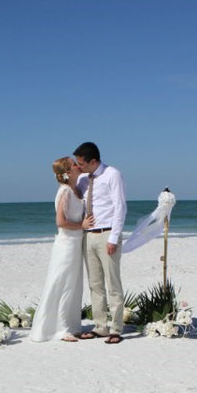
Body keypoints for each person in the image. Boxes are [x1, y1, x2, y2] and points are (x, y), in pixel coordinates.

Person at [30, 157, 94, 342]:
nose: (78, 165)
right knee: (63, 283)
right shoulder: (65, 191)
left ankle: (72, 326)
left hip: (76, 243)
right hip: (66, 245)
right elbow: (61, 222)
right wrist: (82, 225)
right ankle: (61, 329)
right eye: (74, 164)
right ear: (68, 171)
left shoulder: (76, 189)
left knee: (74, 284)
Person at [74, 141, 127, 344]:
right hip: (88, 235)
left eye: (82, 163)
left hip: (107, 233)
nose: (79, 167)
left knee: (113, 282)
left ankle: (116, 328)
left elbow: (120, 207)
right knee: (95, 284)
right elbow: (74, 197)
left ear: (93, 161)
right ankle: (100, 326)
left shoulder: (112, 174)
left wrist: (114, 237)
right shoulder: (82, 178)